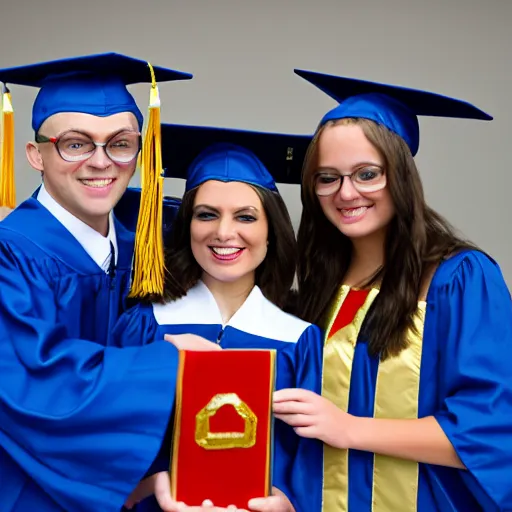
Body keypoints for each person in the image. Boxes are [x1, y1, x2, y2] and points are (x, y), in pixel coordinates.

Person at [273, 70, 512, 511]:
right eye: (328, 178)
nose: (346, 193)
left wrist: (349, 428)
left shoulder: (459, 280)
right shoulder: (316, 291)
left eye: (367, 174)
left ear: (400, 176)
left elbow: (490, 428)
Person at [0, 52, 213, 512]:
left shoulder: (148, 253)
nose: (102, 162)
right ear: (36, 155)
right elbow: (30, 379)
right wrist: (167, 363)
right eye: (76, 144)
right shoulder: (9, 254)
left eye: (120, 143)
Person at [112, 123, 321, 512]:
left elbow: (311, 465)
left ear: (271, 231)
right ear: (187, 226)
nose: (224, 233)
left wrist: (290, 505)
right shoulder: (144, 326)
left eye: (245, 217)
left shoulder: (300, 340)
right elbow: (105, 451)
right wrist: (147, 488)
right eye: (207, 215)